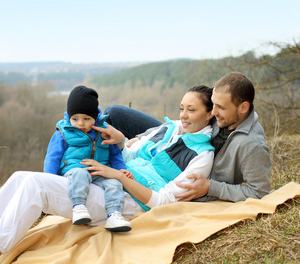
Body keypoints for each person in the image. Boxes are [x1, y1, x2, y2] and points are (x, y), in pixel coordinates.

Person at [0, 84, 215, 254]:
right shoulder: (170, 127)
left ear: (210, 114)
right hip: (108, 179)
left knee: (36, 186)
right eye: (182, 108)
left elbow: (163, 202)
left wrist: (117, 176)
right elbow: (130, 153)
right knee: (20, 177)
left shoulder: (203, 155)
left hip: (128, 200)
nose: (184, 115)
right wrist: (120, 141)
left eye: (192, 110)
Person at [103, 72, 272, 202]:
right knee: (114, 113)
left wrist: (211, 187)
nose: (213, 112)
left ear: (243, 108)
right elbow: (183, 120)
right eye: (213, 105)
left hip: (188, 158)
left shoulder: (251, 145)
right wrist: (143, 137)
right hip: (181, 139)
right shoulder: (223, 112)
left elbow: (259, 191)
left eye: (220, 107)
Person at [44, 85, 132, 231]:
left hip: (100, 172)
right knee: (80, 173)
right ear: (69, 116)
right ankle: (78, 207)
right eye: (75, 118)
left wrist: (122, 170)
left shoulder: (104, 130)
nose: (80, 123)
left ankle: (114, 215)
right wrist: (48, 181)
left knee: (114, 183)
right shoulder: (63, 132)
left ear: (95, 117)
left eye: (86, 118)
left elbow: (115, 154)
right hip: (73, 169)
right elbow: (52, 157)